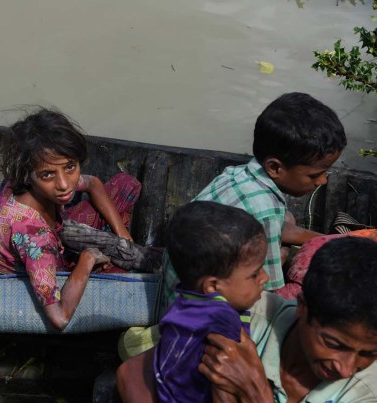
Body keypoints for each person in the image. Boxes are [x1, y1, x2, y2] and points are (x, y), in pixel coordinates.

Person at [118, 92, 347, 360]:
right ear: (275, 167)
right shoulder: (264, 208)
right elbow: (268, 294)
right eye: (315, 174)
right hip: (205, 314)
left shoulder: (240, 174)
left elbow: (280, 227)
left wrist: (327, 240)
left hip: (177, 293)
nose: (322, 182)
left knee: (289, 224)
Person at [118, 236, 377, 403]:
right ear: (302, 306)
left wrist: (257, 400)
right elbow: (134, 376)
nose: (346, 368)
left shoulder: (368, 397)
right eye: (334, 343)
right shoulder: (248, 314)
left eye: (370, 353)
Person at [0, 108, 142, 331]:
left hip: (54, 244)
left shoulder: (32, 185)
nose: (65, 184)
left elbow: (93, 183)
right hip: (37, 290)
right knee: (127, 275)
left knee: (125, 184)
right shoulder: (33, 237)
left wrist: (123, 235)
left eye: (70, 167)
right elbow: (59, 318)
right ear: (27, 173)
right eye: (48, 174)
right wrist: (87, 258)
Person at [153, 201, 268, 403]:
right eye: (254, 275)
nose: (265, 278)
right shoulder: (223, 320)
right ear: (213, 286)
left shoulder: (184, 299)